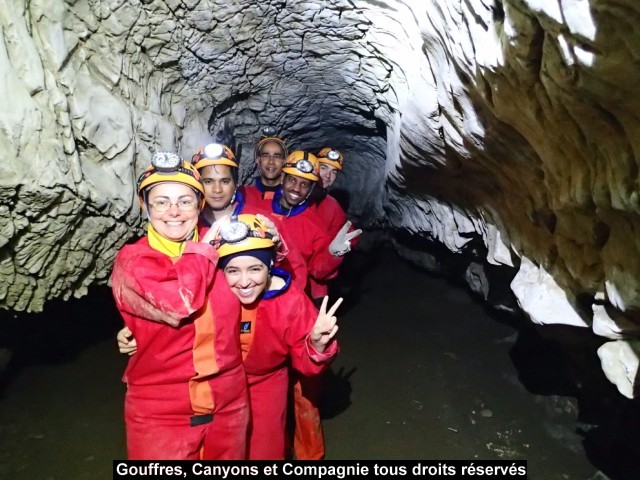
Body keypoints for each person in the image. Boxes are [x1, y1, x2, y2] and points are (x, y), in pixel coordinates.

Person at [119, 214, 342, 460]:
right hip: (220, 385)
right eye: (233, 270)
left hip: (266, 384)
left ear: (269, 268)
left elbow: (305, 358)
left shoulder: (288, 300)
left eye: (255, 269)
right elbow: (175, 315)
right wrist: (137, 332)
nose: (244, 281)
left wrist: (317, 345)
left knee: (264, 450)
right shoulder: (209, 296)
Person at [111, 152, 249, 460]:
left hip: (228, 403)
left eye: (185, 201)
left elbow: (259, 292)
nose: (174, 211)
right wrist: (201, 252)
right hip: (161, 410)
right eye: (161, 202)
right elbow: (178, 304)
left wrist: (276, 252)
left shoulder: (220, 248)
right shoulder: (133, 259)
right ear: (144, 206)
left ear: (199, 205)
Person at [192, 142, 308, 291]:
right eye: (208, 181)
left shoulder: (262, 221)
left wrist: (276, 253)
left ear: (235, 183)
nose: (217, 189)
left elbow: (296, 272)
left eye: (225, 181)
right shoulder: (189, 226)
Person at [309, 148, 362, 302]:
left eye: (334, 172)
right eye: (324, 167)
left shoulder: (332, 206)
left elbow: (348, 235)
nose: (328, 175)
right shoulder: (293, 197)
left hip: (315, 286)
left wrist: (341, 247)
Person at [243, 127, 288, 209]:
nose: (271, 161)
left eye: (277, 157)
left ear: (284, 161)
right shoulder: (244, 195)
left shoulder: (292, 197)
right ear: (258, 160)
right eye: (266, 156)